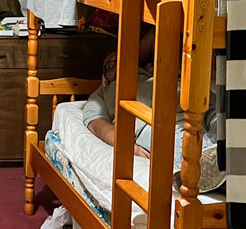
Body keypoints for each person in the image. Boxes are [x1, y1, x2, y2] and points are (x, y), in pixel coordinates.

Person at [82, 28, 222, 188]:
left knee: (223, 123)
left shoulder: (156, 72)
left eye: (123, 59)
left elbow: (157, 31)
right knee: (185, 144)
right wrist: (128, 147)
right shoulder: (103, 93)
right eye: (111, 64)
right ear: (105, 76)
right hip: (152, 124)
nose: (119, 64)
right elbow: (96, 124)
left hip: (195, 114)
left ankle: (218, 163)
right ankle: (211, 165)